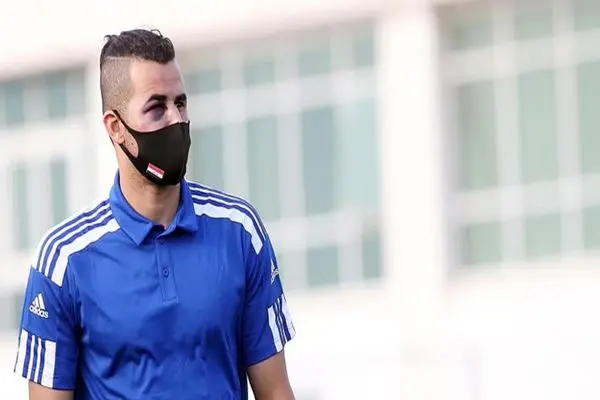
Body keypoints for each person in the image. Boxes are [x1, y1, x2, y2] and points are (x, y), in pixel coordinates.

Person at [13, 28, 296, 400]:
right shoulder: (64, 260)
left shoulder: (240, 232)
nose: (176, 120)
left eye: (181, 103)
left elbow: (276, 392)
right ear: (116, 128)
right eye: (157, 108)